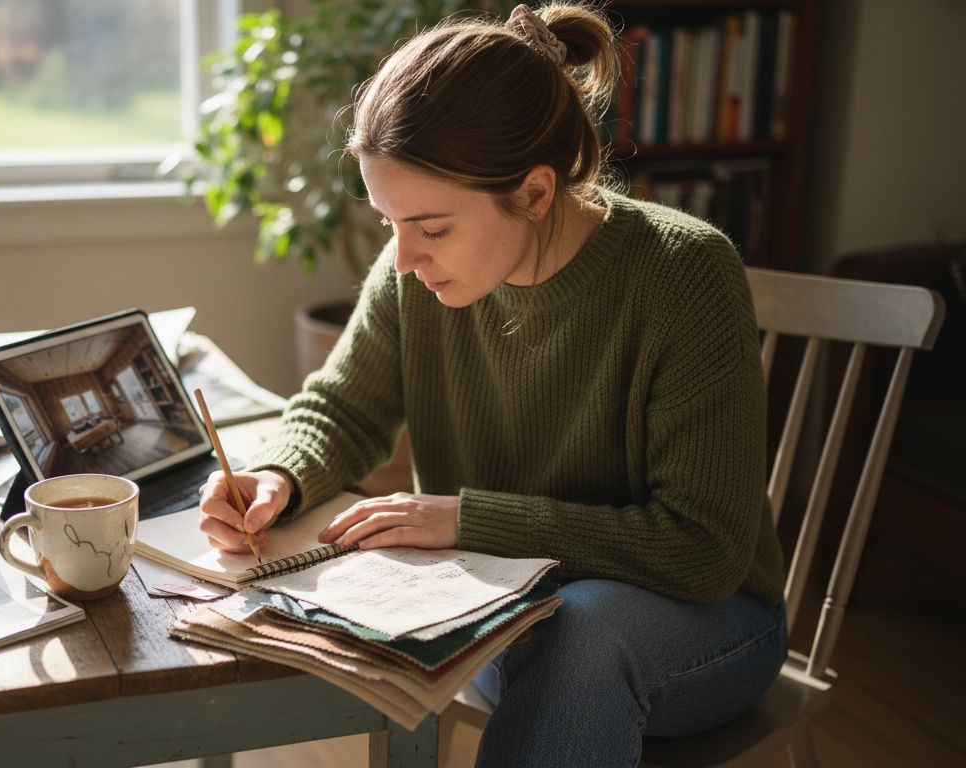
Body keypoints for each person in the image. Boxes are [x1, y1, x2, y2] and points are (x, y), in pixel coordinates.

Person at [196, 3, 787, 765]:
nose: (404, 258)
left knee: (581, 630)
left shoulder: (685, 274)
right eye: (389, 224)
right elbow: (342, 408)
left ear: (537, 193)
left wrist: (471, 523)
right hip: (498, 615)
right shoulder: (416, 275)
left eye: (432, 227)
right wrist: (278, 476)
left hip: (703, 625)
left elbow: (704, 550)